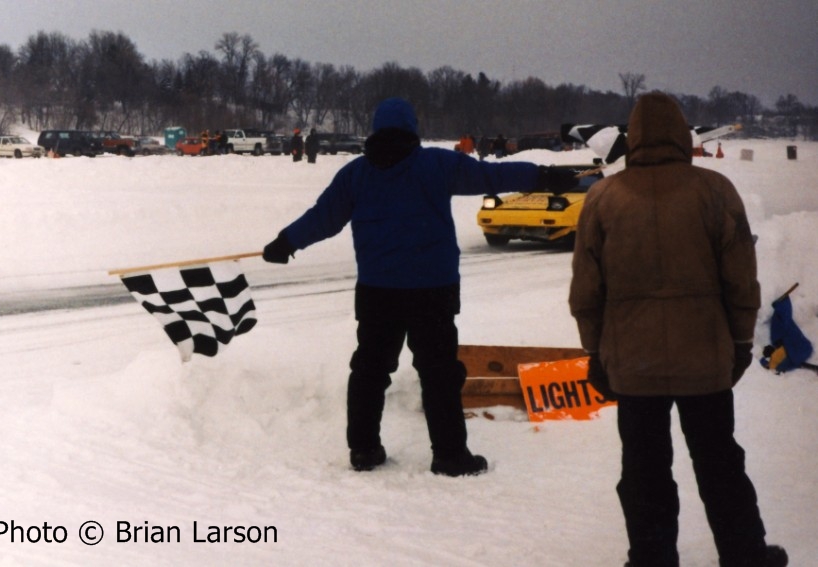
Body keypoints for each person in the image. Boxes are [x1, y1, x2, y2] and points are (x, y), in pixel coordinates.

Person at [263, 97, 575, 476]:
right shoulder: (437, 165)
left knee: (370, 370)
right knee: (439, 372)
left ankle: (363, 450)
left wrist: (286, 242)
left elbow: (323, 218)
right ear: (412, 129)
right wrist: (542, 175)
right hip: (432, 289)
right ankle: (450, 456)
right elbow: (492, 176)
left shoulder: (356, 174)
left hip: (378, 291)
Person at [569, 93, 787, 567]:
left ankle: (651, 558)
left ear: (633, 136)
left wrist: (596, 352)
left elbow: (586, 291)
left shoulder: (603, 198)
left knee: (644, 470)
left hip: (632, 363)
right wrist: (741, 341)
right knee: (719, 463)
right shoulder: (714, 190)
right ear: (681, 132)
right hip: (704, 360)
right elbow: (740, 281)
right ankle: (745, 554)